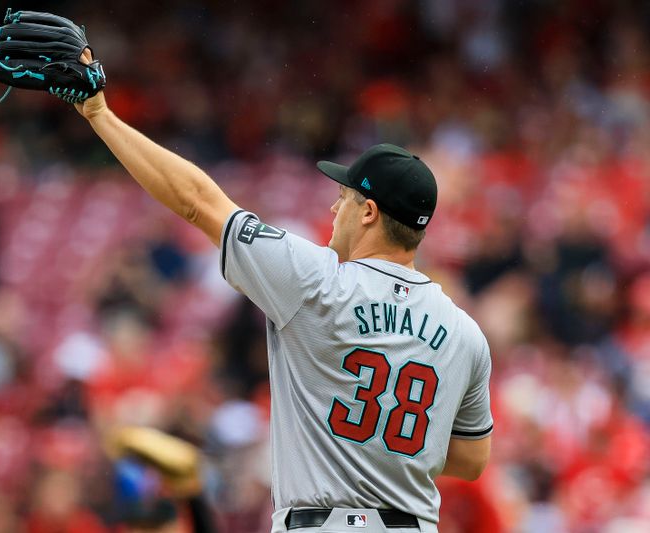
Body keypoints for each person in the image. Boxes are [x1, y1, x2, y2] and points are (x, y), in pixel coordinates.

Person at [73, 45, 493, 533]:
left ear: (369, 212)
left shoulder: (316, 280)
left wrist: (98, 112)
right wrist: (382, 442)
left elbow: (196, 202)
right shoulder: (465, 333)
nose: (335, 210)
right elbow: (470, 459)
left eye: (344, 197)